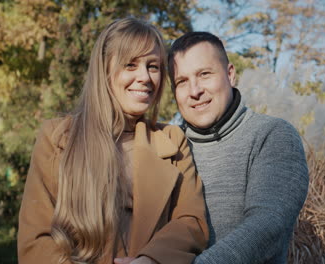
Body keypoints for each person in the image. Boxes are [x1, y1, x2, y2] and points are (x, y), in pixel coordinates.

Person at [17, 18, 208, 264]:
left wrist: (152, 260)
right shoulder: (56, 138)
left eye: (153, 66)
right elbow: (35, 240)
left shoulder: (173, 140)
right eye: (130, 64)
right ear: (104, 70)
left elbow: (191, 221)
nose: (145, 77)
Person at [168, 32, 309, 263]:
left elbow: (267, 226)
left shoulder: (272, 135)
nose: (194, 91)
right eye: (182, 81)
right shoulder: (168, 146)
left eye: (204, 74)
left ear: (230, 74)